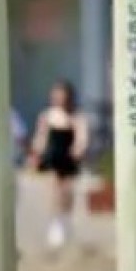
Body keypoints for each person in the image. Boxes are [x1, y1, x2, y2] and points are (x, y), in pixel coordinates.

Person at [30, 80, 89, 249]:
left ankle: (65, 221)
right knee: (54, 190)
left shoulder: (76, 116)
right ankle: (55, 223)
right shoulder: (47, 116)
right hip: (53, 156)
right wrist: (36, 154)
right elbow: (41, 137)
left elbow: (81, 137)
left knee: (67, 191)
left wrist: (78, 150)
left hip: (68, 156)